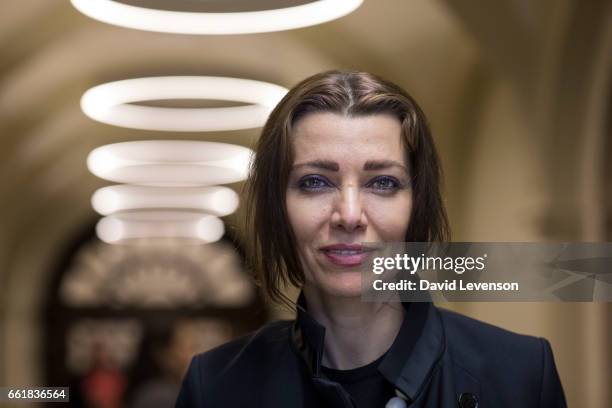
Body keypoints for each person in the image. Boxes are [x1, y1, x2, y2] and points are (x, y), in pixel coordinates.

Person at [175, 70, 567, 407]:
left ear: (418, 204)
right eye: (315, 182)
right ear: (279, 208)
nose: (348, 215)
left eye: (382, 182)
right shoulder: (215, 386)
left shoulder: (522, 375)